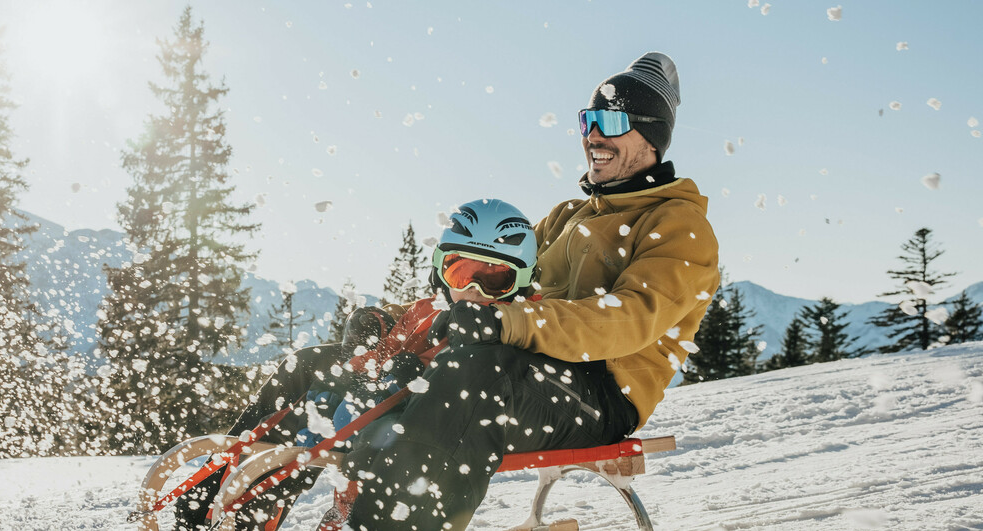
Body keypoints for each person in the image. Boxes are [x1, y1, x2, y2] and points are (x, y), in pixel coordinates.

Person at [346, 51, 721, 530]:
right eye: (587, 120)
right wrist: (397, 322)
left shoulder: (678, 225)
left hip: (600, 396)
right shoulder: (569, 215)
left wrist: (507, 322)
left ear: (650, 135)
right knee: (333, 365)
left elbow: (627, 319)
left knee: (475, 371)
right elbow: (498, 281)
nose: (592, 135)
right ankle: (232, 498)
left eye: (608, 120)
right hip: (530, 371)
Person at [173, 199, 539, 531]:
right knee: (305, 398)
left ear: (519, 282)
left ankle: (270, 506)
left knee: (329, 418)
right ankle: (222, 488)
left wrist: (404, 374)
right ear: (441, 270)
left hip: (417, 419)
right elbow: (385, 353)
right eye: (461, 272)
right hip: (379, 397)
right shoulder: (428, 308)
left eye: (494, 279)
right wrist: (363, 357)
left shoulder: (511, 321)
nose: (475, 289)